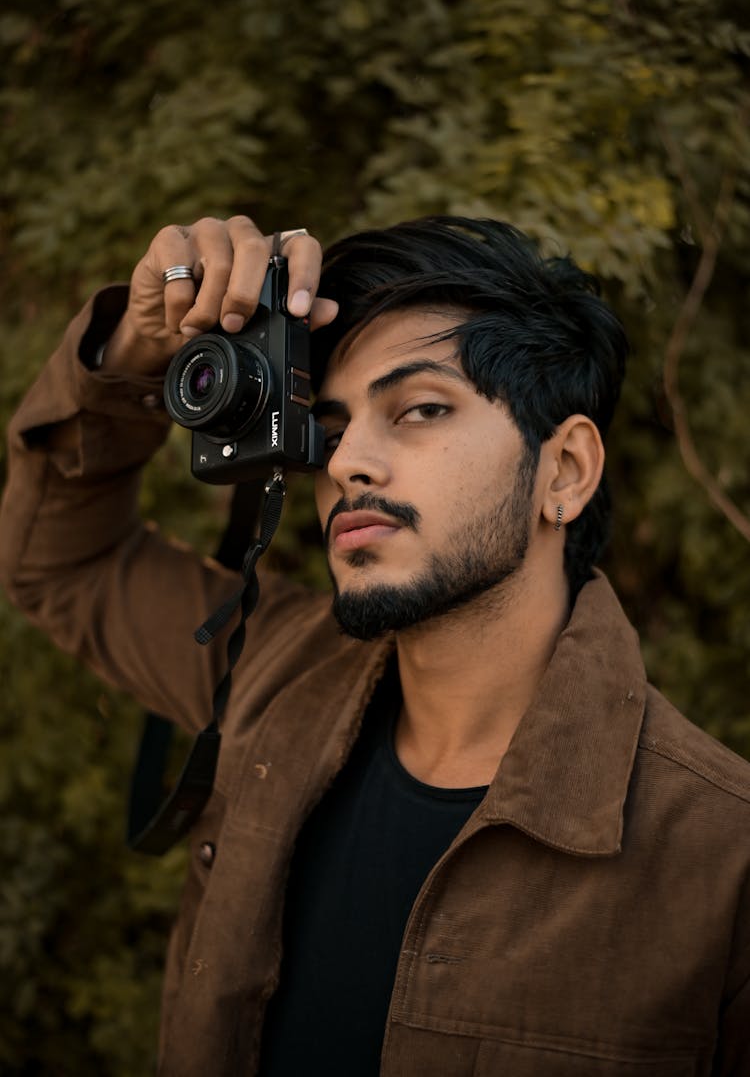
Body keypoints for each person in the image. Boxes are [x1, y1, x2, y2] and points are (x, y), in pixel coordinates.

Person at [1, 214, 749, 1077]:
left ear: (566, 471)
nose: (351, 458)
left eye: (422, 408)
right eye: (330, 423)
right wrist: (134, 347)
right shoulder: (275, 668)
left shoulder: (720, 859)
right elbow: (59, 563)